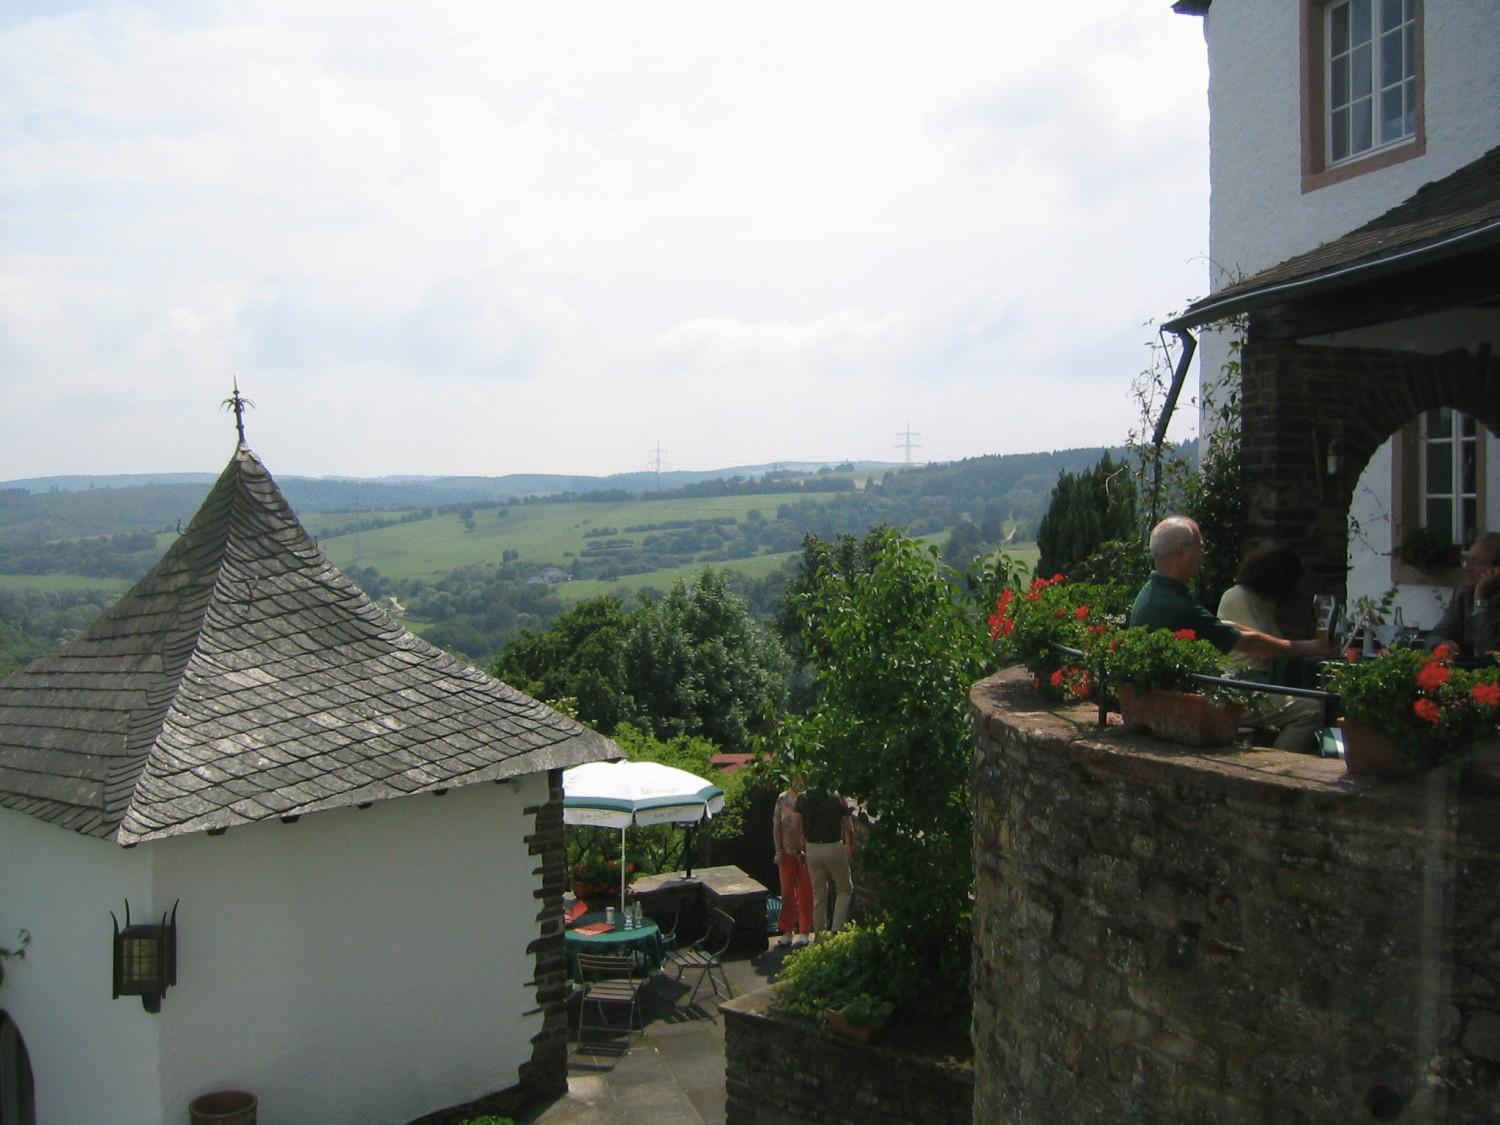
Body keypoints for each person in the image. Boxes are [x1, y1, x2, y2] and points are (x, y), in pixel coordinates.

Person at [1130, 517, 1331, 742]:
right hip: (1191, 701)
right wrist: (1306, 647)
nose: (1202, 555)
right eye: (1200, 547)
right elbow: (1249, 643)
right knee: (1310, 709)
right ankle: (1270, 773)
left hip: (1167, 698)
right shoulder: (1177, 604)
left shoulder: (1151, 593)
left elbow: (1218, 626)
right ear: (1182, 552)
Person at [1215, 546, 1326, 752]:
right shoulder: (1237, 597)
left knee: (1310, 696)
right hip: (1240, 683)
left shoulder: (1265, 603)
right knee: (1311, 710)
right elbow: (1258, 645)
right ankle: (1277, 767)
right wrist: (1305, 648)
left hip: (1260, 680)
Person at [1428, 531, 1500, 660]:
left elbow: (1488, 652)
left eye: (1478, 562)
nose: (1467, 568)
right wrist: (1442, 644)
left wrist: (1481, 598)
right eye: (1466, 561)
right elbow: (1436, 635)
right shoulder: (1462, 594)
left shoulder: (1480, 593)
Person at [795, 786, 854, 938]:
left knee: (819, 894)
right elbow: (848, 826)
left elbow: (796, 827)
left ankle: (819, 935)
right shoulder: (838, 797)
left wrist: (799, 850)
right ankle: (837, 928)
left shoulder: (803, 798)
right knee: (844, 888)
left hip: (812, 848)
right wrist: (849, 844)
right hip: (833, 845)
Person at [771, 778, 813, 948]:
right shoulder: (782, 799)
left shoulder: (809, 799)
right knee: (787, 892)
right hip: (787, 853)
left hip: (805, 854)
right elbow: (776, 826)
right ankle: (787, 931)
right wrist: (778, 850)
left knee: (806, 891)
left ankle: (804, 931)